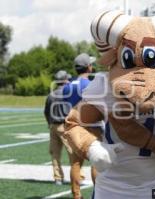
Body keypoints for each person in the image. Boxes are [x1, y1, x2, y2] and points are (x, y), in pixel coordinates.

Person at [63, 53, 97, 199]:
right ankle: (99, 192)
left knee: (76, 163)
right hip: (91, 126)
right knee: (96, 161)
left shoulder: (67, 86)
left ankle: (76, 195)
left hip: (74, 127)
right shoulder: (90, 84)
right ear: (88, 67)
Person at [44, 70, 72, 185]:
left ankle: (58, 178)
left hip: (53, 127)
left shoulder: (51, 95)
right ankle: (77, 177)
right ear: (65, 80)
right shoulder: (68, 94)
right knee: (72, 153)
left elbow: (46, 112)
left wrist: (49, 123)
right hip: (65, 126)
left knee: (55, 154)